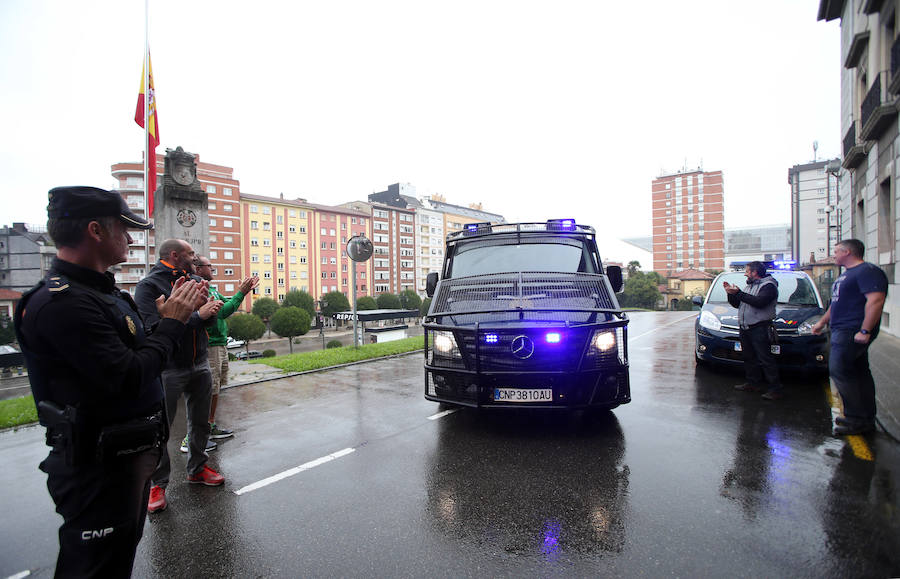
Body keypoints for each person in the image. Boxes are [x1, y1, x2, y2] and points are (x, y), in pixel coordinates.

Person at [13, 186, 208, 576]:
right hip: (98, 467)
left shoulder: (103, 294)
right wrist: (173, 323)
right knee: (94, 567)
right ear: (95, 231)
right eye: (124, 228)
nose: (132, 238)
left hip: (125, 459)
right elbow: (131, 374)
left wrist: (167, 327)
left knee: (117, 558)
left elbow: (142, 355)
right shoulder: (64, 303)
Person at [135, 239, 225, 513]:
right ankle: (157, 485)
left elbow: (204, 319)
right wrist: (198, 315)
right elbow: (153, 328)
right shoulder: (148, 287)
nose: (195, 257)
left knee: (200, 423)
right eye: (190, 253)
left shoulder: (196, 279)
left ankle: (197, 469)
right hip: (168, 368)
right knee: (160, 429)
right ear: (174, 255)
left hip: (200, 363)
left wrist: (210, 313)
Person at [812, 239, 888, 436]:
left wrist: (865, 330)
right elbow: (836, 305)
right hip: (841, 329)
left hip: (851, 330)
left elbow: (876, 300)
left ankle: (856, 419)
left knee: (840, 371)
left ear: (847, 251)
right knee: (858, 373)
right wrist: (822, 323)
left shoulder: (867, 271)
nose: (834, 254)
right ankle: (863, 417)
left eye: (837, 251)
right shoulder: (847, 275)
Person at [193, 255, 258, 445]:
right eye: (209, 266)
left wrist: (240, 293)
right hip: (210, 345)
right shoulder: (201, 288)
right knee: (208, 389)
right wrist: (242, 292)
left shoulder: (212, 288)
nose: (212, 268)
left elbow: (226, 306)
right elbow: (222, 311)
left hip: (219, 344)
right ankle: (195, 434)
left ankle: (209, 425)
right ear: (198, 269)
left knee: (215, 388)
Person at [724, 261, 783, 400]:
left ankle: (775, 389)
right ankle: (753, 383)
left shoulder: (769, 286)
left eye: (747, 271)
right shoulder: (749, 286)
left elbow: (759, 302)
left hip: (760, 327)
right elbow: (738, 304)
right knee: (748, 357)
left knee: (765, 358)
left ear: (754, 272)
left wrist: (739, 293)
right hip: (746, 327)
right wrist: (731, 294)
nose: (745, 273)